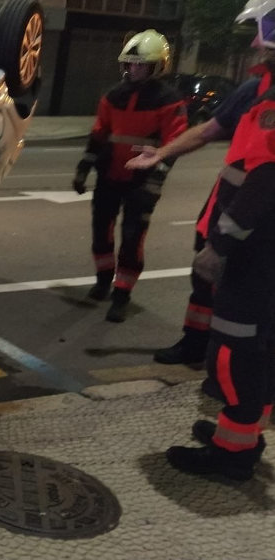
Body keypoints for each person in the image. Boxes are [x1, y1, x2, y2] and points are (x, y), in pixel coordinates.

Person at [127, 0, 275, 373]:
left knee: (247, 312)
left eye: (263, 39)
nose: (256, 46)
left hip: (255, 225)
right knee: (207, 284)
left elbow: (265, 178)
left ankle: (241, 387)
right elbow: (210, 129)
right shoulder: (255, 89)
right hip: (225, 212)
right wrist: (161, 153)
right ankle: (198, 345)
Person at [164, 81, 275, 481]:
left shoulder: (272, 109)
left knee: (235, 352)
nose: (255, 47)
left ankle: (232, 457)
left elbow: (262, 182)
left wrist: (219, 245)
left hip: (254, 255)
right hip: (263, 253)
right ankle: (244, 437)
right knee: (262, 348)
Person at [73, 30, 187, 323]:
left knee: (133, 237)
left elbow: (172, 145)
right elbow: (99, 133)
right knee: (101, 230)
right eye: (130, 64)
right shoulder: (113, 95)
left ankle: (122, 294)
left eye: (140, 64)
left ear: (157, 66)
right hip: (110, 174)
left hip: (142, 181)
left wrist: (155, 180)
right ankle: (102, 281)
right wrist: (83, 168)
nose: (133, 69)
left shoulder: (169, 101)